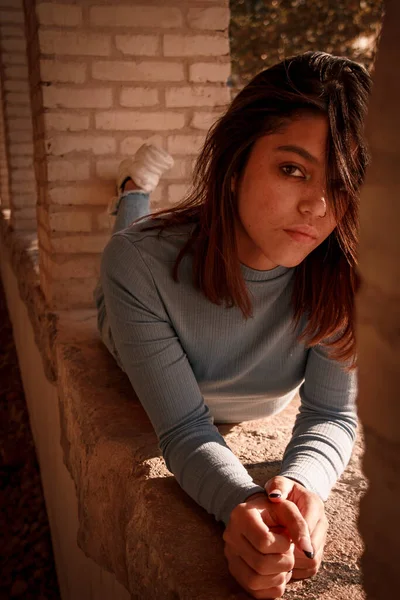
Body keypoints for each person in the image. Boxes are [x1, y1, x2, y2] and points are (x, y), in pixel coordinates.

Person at [94, 51, 371, 599]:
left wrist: (300, 490)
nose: (318, 205)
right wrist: (236, 501)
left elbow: (332, 412)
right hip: (128, 303)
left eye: (341, 182)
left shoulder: (350, 273)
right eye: (292, 169)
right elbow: (183, 428)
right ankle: (132, 191)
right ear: (237, 160)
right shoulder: (139, 266)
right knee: (131, 237)